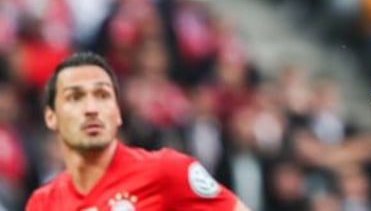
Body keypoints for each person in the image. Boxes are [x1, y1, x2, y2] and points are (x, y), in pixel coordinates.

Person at [27, 51, 250, 211]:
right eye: (75, 97)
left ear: (117, 113)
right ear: (51, 117)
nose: (91, 109)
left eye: (103, 95)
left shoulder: (167, 171)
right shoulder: (43, 203)